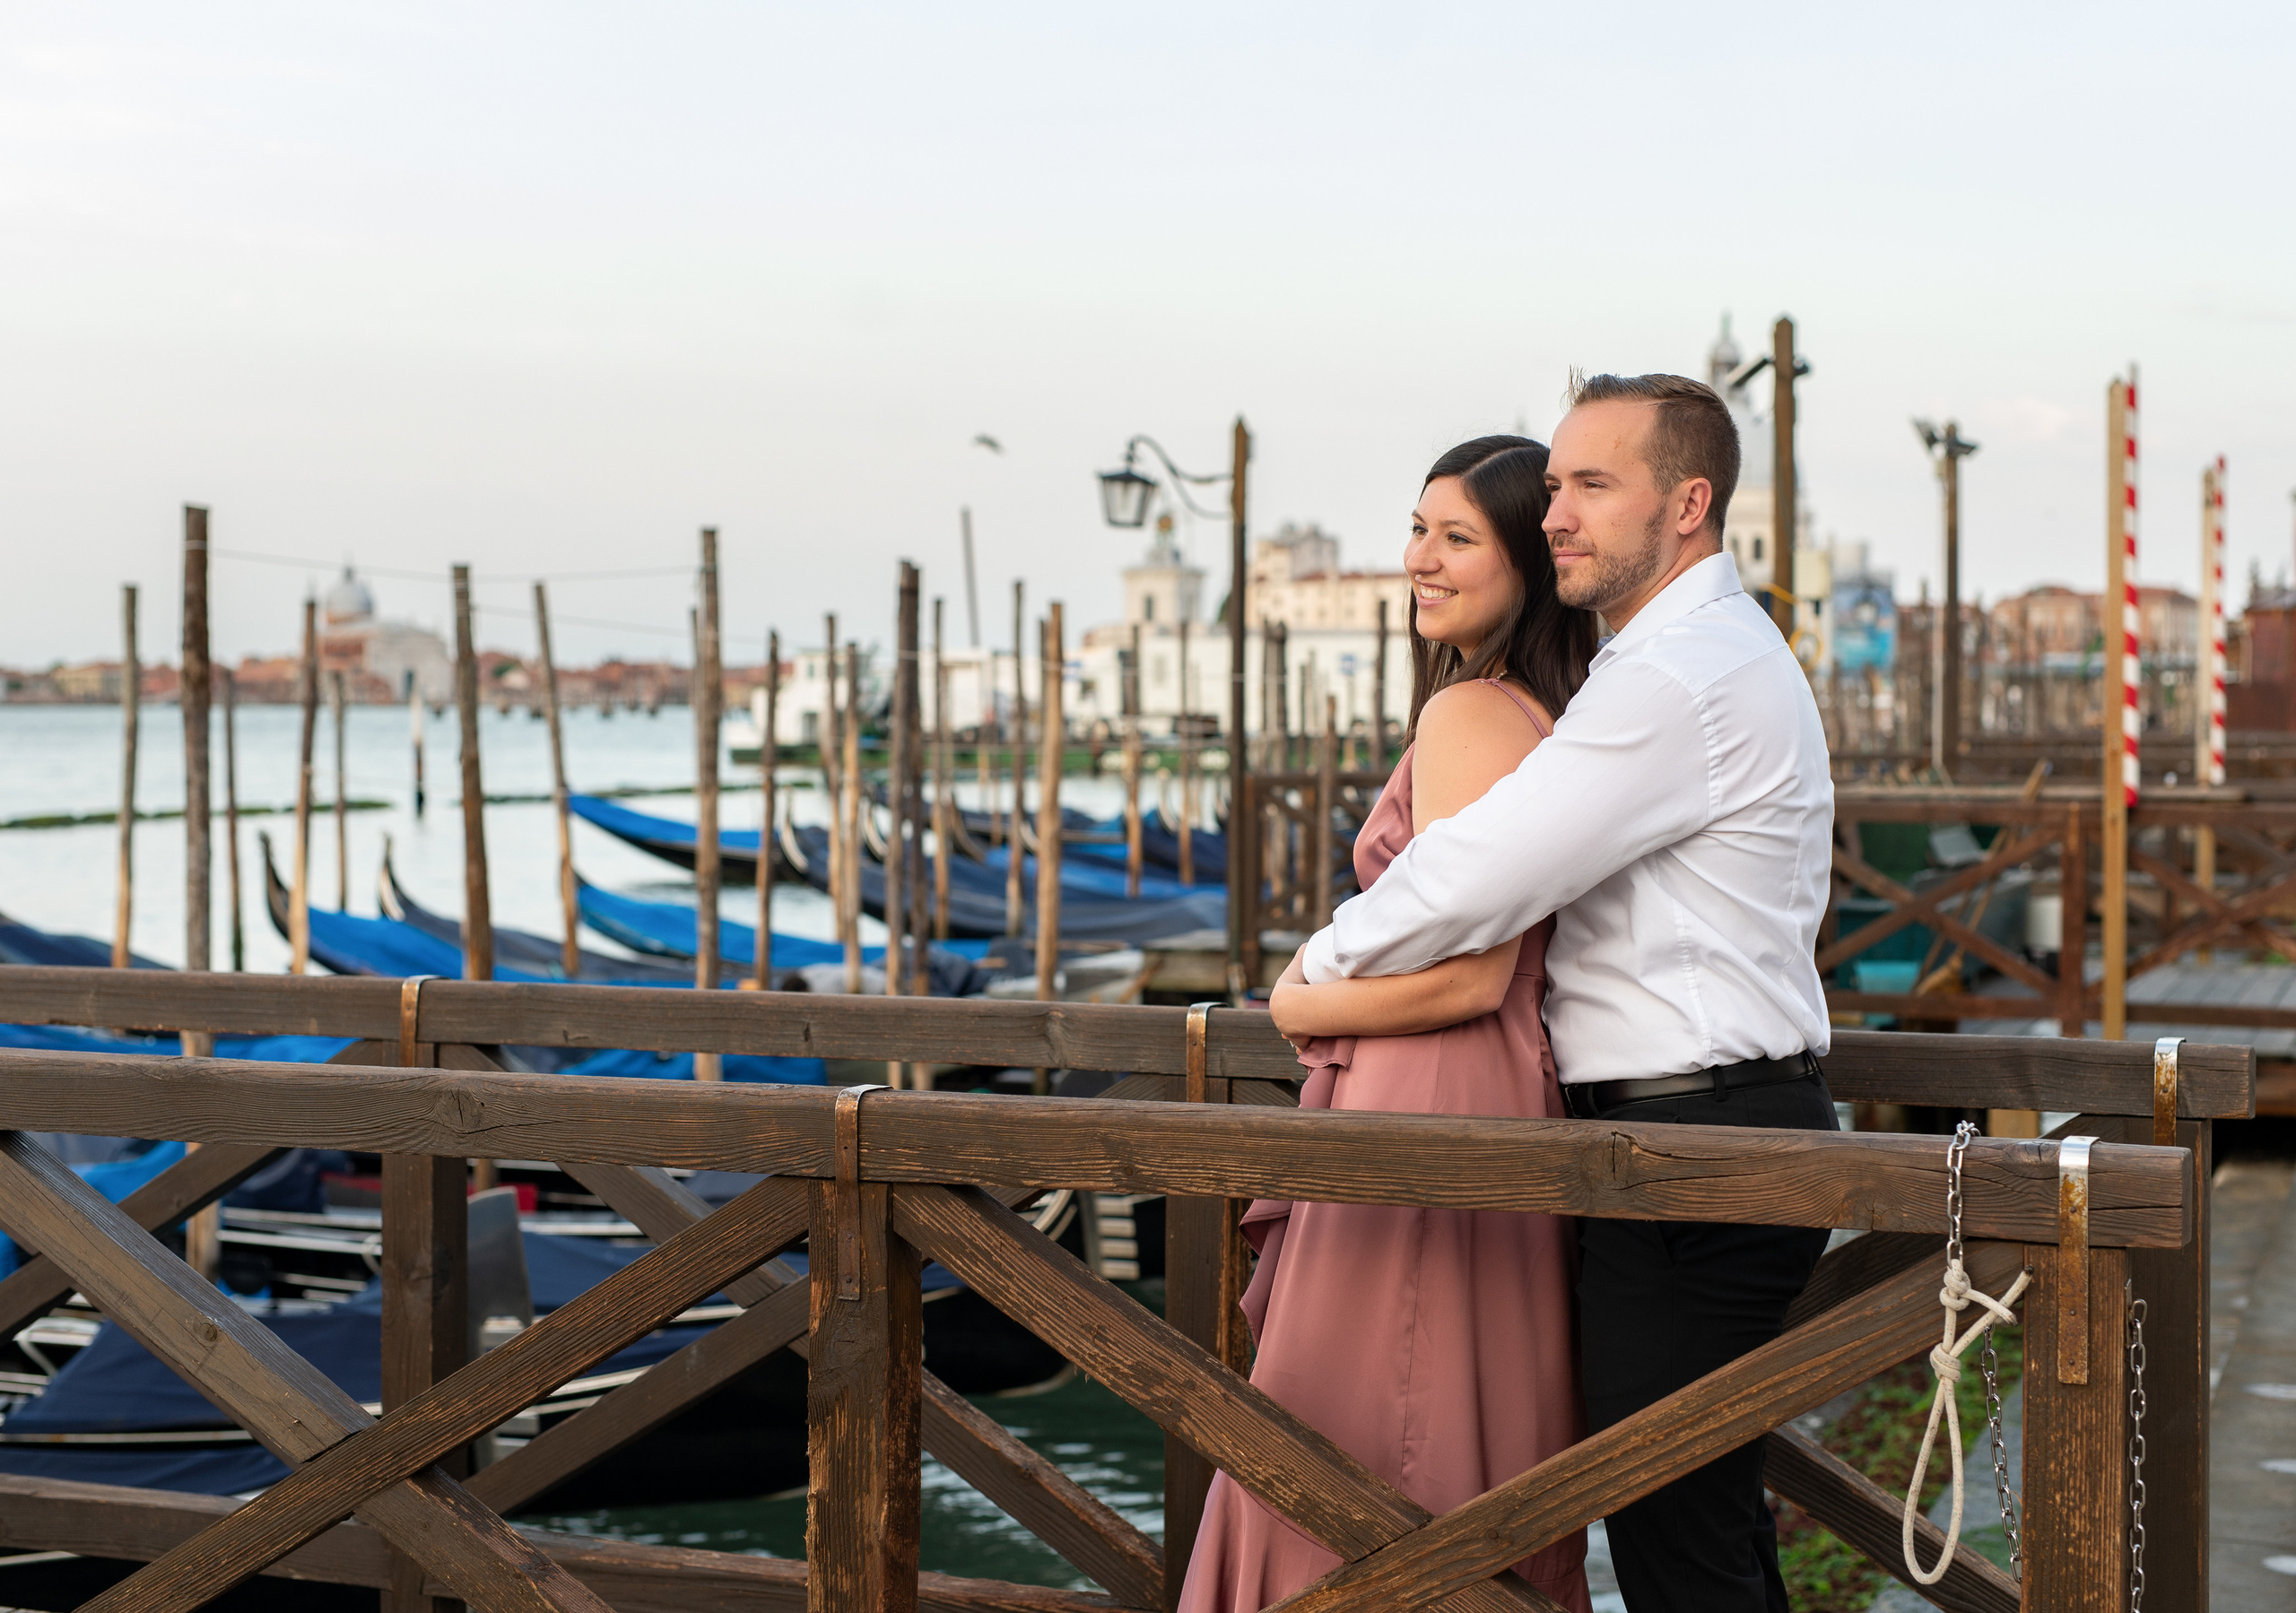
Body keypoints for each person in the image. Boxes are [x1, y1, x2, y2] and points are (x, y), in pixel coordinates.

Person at [1292, 373, 1837, 1613]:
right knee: (1698, 1522)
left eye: (1593, 485)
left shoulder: (1678, 674)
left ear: (1688, 503)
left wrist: (1311, 973)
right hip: (1696, 1136)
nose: (1558, 516)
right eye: (1553, 489)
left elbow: (1480, 874)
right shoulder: (1673, 659)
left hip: (1699, 1150)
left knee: (1676, 1535)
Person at [1178, 435, 1597, 1613]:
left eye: (1457, 537)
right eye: (1418, 529)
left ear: (1529, 560)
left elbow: (1473, 971)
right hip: (1481, 1096)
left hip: (1431, 1092)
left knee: (1345, 1440)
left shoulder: (1472, 712)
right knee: (1427, 1445)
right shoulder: (1535, 711)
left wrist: (1297, 1000)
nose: (1420, 557)